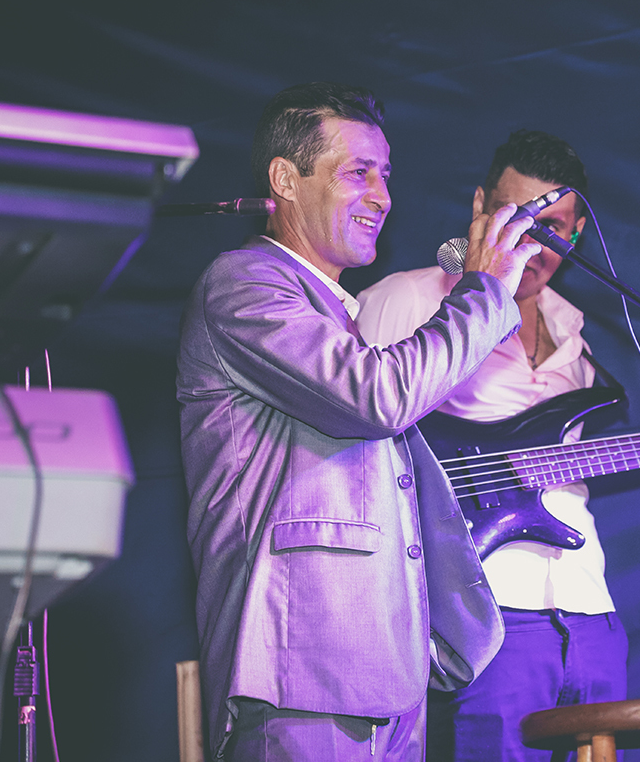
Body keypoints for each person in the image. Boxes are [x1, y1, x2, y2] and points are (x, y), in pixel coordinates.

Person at [176, 83, 544, 762]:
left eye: (386, 175)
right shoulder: (244, 284)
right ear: (286, 179)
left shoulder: (337, 314)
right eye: (358, 172)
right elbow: (379, 397)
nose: (383, 196)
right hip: (300, 670)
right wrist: (486, 291)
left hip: (388, 675)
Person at [356, 130, 628, 762]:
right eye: (515, 217)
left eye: (551, 227)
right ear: (480, 207)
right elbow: (356, 446)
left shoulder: (574, 332)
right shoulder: (408, 299)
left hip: (588, 602)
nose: (530, 243)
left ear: (577, 232)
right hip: (480, 608)